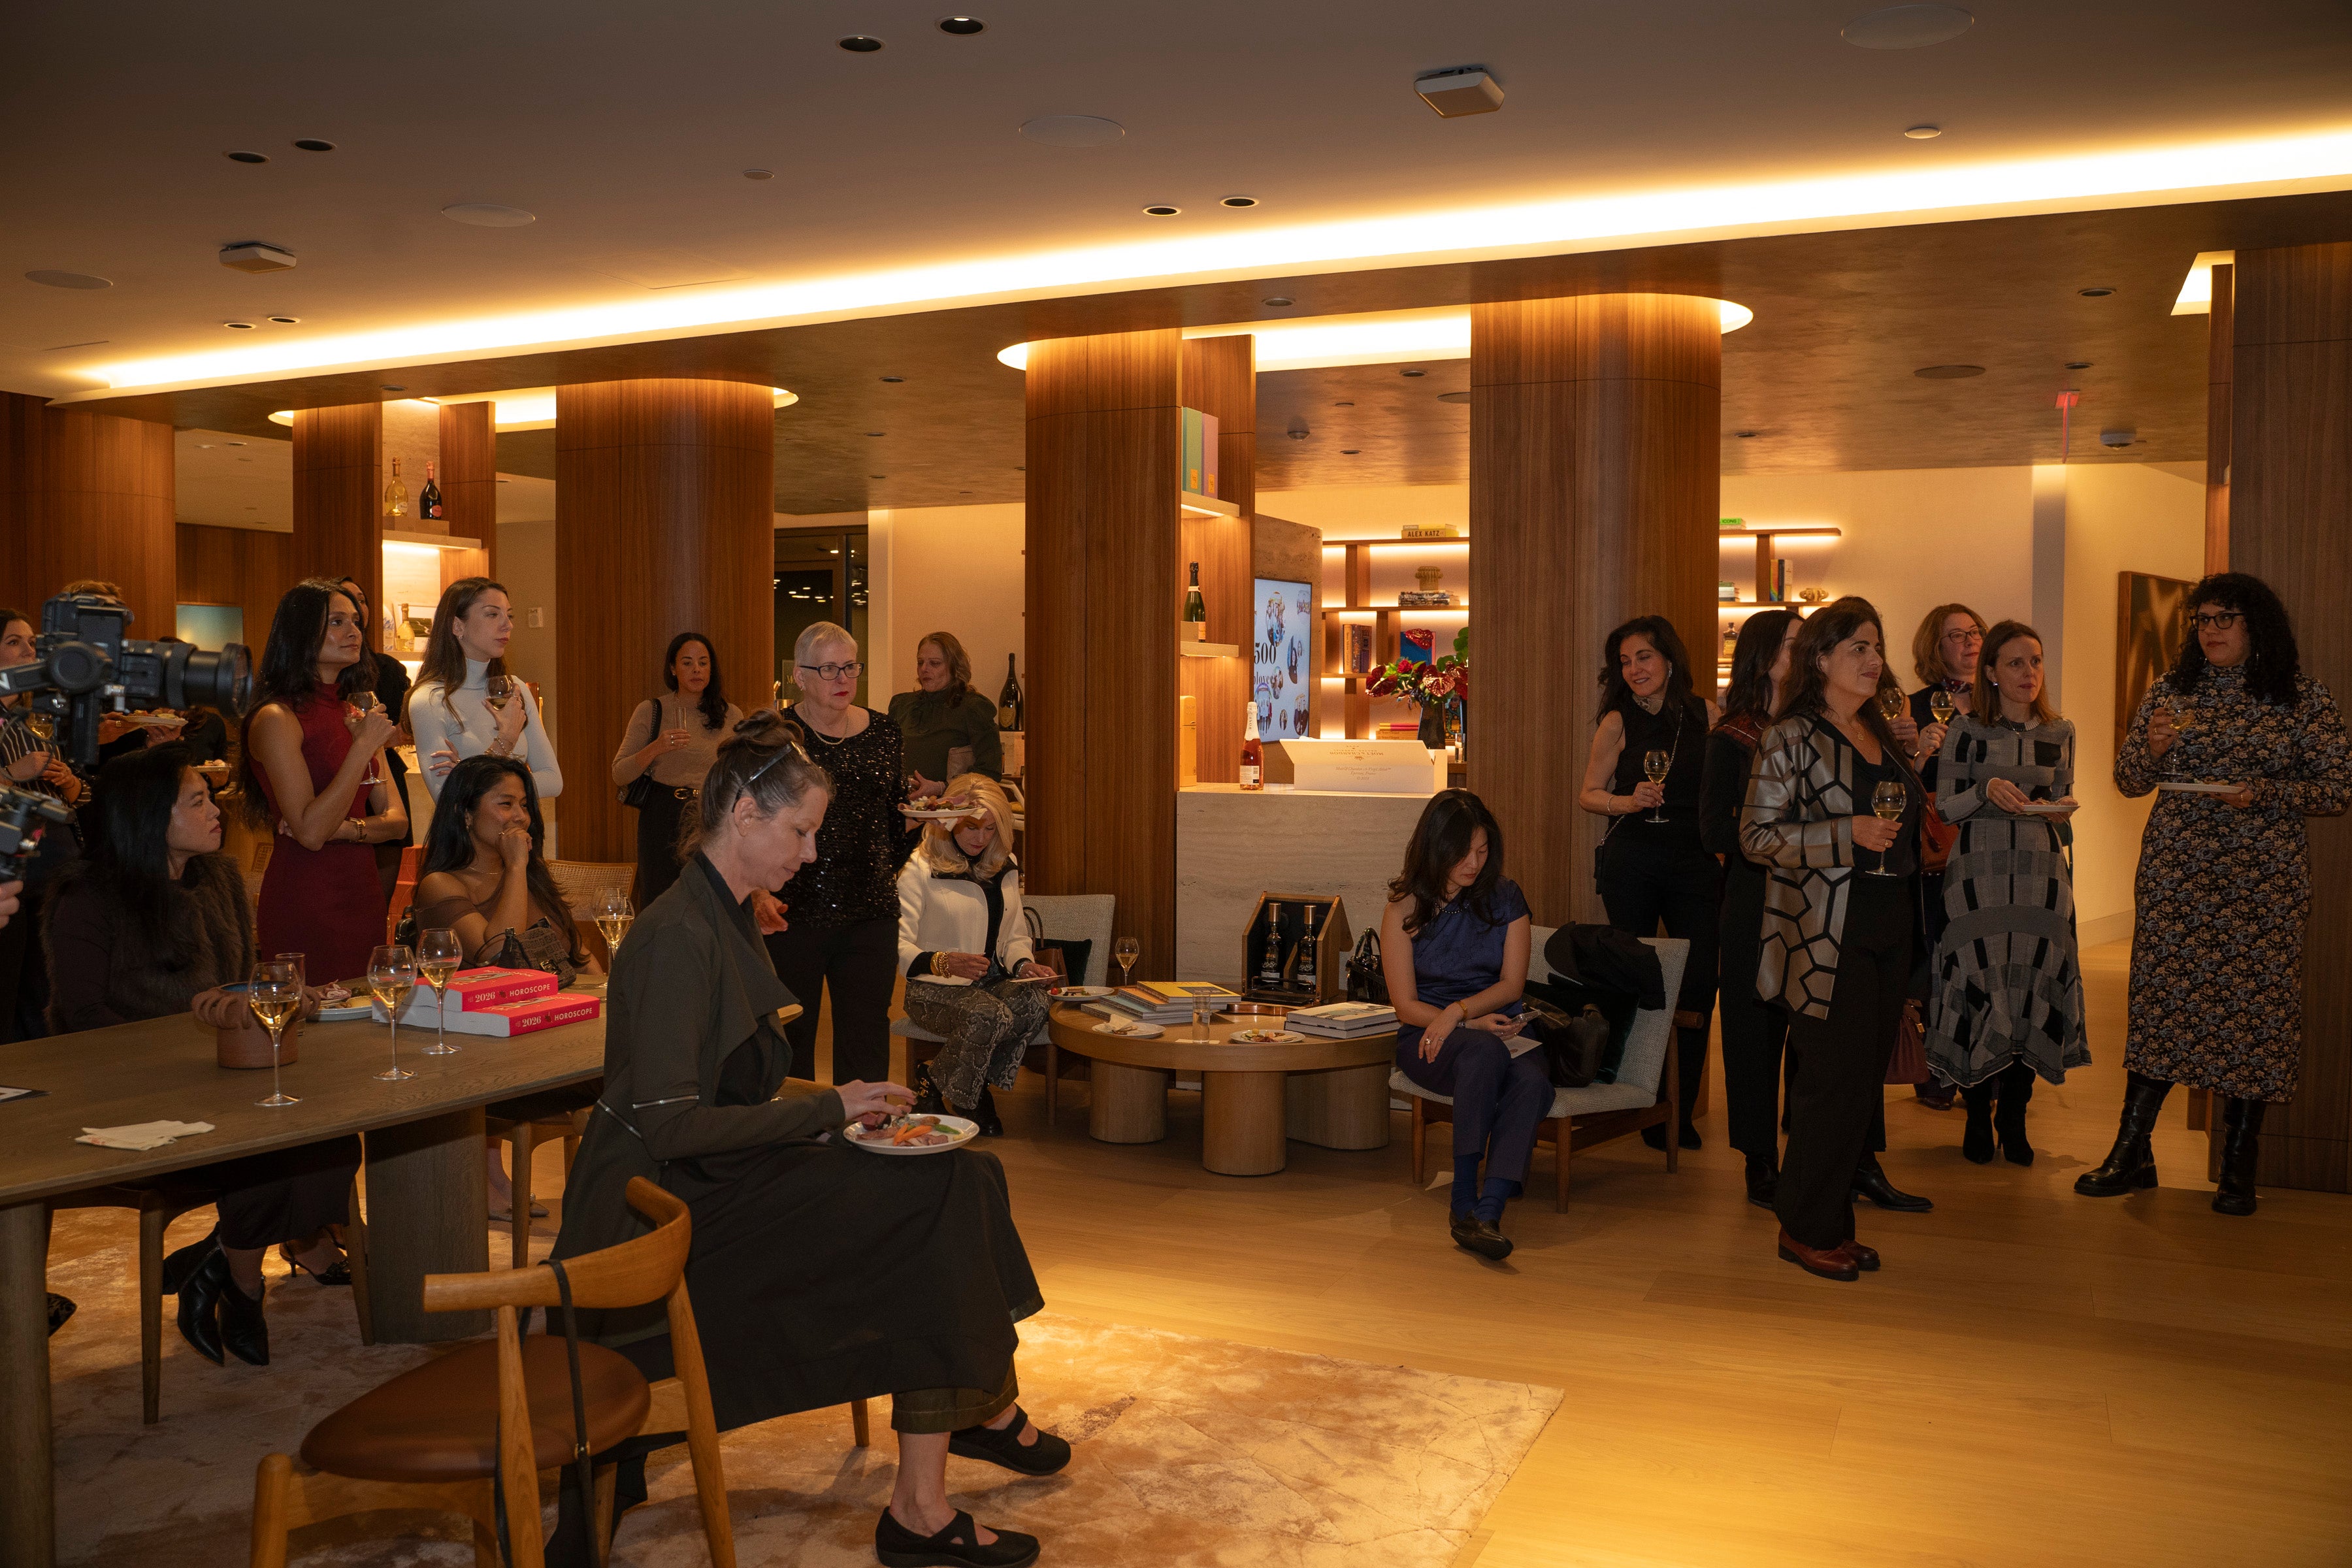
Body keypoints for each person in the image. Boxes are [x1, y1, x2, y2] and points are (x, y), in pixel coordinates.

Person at [550, 713, 1066, 1567]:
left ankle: (965, 1421)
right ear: (744, 814)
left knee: (960, 1177)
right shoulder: (677, 935)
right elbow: (672, 1124)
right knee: (937, 1199)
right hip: (662, 1212)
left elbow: (726, 1093)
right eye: (801, 830)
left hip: (714, 1174)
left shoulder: (724, 913)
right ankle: (938, 1476)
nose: (813, 852)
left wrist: (839, 1111)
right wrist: (829, 1109)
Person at [43, 743, 361, 1367]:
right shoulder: (89, 896)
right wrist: (181, 1050)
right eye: (197, 801)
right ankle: (238, 1280)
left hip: (225, 1075)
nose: (217, 811)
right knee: (270, 1153)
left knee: (330, 1136)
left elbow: (239, 985)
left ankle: (224, 1266)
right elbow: (78, 1020)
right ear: (148, 817)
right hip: (131, 1095)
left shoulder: (217, 880)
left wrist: (282, 999)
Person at [2084, 572, 2349, 1216]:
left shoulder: (2301, 698)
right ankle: (2131, 1150)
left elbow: (2338, 786)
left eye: (2223, 618)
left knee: (2254, 1015)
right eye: (2202, 620)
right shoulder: (2171, 692)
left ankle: (2238, 1167)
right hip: (2177, 878)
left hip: (2263, 886)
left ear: (2256, 626)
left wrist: (2265, 792)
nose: (2210, 630)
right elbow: (2127, 780)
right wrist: (2150, 749)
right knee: (2162, 1004)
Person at [1741, 596, 1926, 1282]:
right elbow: (1755, 836)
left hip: (1889, 924)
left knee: (1860, 1089)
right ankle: (1804, 1229)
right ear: (1820, 659)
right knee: (1829, 1086)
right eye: (1859, 648)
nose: (1874, 661)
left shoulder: (1879, 731)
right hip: (1823, 933)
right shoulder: (1790, 736)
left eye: (1877, 648)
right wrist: (1844, 834)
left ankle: (1832, 1223)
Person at [1923, 621, 2087, 1164]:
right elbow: (1946, 808)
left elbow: (2061, 801)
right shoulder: (1966, 731)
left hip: (2042, 877)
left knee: (2032, 990)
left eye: (2035, 661)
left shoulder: (2060, 731)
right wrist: (1984, 789)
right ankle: (1975, 1114)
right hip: (1977, 878)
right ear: (1990, 672)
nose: (2029, 673)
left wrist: (2060, 812)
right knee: (1980, 986)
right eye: (2016, 663)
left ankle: (2014, 1118)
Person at [411, 754, 602, 1220]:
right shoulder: (441, 884)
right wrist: (516, 868)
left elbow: (577, 959)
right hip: (489, 1054)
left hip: (551, 1029)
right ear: (465, 813)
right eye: (505, 804)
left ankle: (610, 1204)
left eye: (524, 805)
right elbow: (497, 956)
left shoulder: (533, 879)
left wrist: (609, 997)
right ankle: (601, 1210)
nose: (519, 817)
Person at [1383, 789, 1546, 1262]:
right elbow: (1404, 1006)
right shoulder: (1405, 908)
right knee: (1483, 1052)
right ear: (1436, 848)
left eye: (1483, 851)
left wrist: (1463, 1012)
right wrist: (1460, 1019)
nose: (1474, 864)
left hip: (1501, 1022)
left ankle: (1487, 1213)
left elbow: (1512, 983)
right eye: (1463, 853)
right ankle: (1462, 1201)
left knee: (1533, 1081)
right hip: (1427, 1034)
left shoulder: (1505, 897)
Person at [1576, 616, 1718, 1151]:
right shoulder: (1617, 720)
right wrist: (1626, 801)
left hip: (1695, 862)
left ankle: (1676, 1110)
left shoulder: (1708, 715)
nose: (1634, 669)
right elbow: (1589, 793)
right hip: (1632, 859)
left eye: (1644, 657)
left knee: (1699, 982)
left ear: (1670, 660)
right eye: (1625, 661)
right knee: (1637, 980)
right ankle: (1635, 1099)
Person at [235, 579, 406, 986]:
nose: (354, 632)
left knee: (366, 1011)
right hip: (307, 895)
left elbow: (398, 823)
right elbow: (311, 833)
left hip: (362, 891)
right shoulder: (276, 718)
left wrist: (344, 830)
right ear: (300, 633)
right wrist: (361, 749)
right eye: (336, 622)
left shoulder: (355, 713)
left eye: (356, 622)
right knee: (312, 1015)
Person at [764, 621, 908, 1086]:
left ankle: (864, 1128)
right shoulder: (778, 735)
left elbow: (893, 820)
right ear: (800, 677)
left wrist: (926, 819)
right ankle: (797, 1127)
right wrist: (757, 892)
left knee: (866, 1037)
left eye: (850, 667)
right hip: (793, 907)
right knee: (791, 1035)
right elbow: (756, 820)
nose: (843, 678)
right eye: (829, 669)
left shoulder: (885, 731)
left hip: (871, 909)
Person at [1699, 609, 1801, 1207]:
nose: (1804, 654)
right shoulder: (1731, 737)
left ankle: (1817, 1153)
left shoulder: (1818, 729)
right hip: (1754, 898)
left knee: (1812, 1033)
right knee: (1753, 1037)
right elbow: (1713, 829)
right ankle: (1759, 1160)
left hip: (1811, 898)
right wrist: (1779, 831)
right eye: (1793, 644)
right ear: (1762, 655)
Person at [896, 776, 1052, 1135]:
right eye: (971, 826)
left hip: (991, 983)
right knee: (987, 1014)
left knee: (1035, 1002)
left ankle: (937, 1083)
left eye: (990, 828)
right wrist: (944, 961)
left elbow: (1015, 935)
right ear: (950, 821)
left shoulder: (1005, 864)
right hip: (931, 988)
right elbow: (898, 944)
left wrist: (1024, 964)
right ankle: (973, 1096)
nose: (980, 838)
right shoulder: (918, 868)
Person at [1903, 603, 1984, 1109]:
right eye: (1957, 635)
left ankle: (1983, 1070)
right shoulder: (1912, 707)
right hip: (1938, 849)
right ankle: (1934, 1069)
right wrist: (1922, 753)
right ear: (1936, 646)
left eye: (1975, 632)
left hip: (1989, 845)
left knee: (1983, 960)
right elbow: (1896, 785)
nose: (1970, 642)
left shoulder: (2003, 701)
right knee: (1937, 958)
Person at [0, 607, 86, 1041]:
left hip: (51, 867)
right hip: (13, 872)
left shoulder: (32, 714)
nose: (28, 651)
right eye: (13, 642)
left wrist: (69, 782)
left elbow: (77, 797)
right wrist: (11, 773)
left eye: (32, 643)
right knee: (10, 990)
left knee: (42, 990)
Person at [611, 631, 744, 909]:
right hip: (663, 814)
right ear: (673, 669)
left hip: (713, 813)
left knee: (713, 902)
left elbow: (740, 774)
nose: (696, 669)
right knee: (662, 903)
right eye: (687, 663)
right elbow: (619, 773)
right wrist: (656, 747)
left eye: (703, 663)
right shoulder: (652, 710)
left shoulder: (731, 714)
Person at [405, 577, 562, 806]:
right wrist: (505, 741)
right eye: (492, 614)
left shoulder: (515, 690)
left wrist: (469, 778)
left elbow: (553, 780)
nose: (508, 625)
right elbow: (447, 799)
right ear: (458, 626)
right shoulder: (429, 700)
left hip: (518, 828)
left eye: (509, 615)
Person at [333, 577, 416, 904]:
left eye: (361, 601)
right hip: (337, 773)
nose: (357, 607)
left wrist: (374, 738)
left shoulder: (387, 669)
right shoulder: (322, 677)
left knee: (378, 893)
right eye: (345, 603)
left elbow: (404, 729)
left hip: (382, 770)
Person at [889, 631, 1004, 797]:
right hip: (905, 804)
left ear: (954, 667)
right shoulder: (901, 705)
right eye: (920, 662)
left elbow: (990, 772)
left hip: (953, 806)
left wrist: (942, 787)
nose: (924, 669)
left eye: (934, 663)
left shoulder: (973, 708)